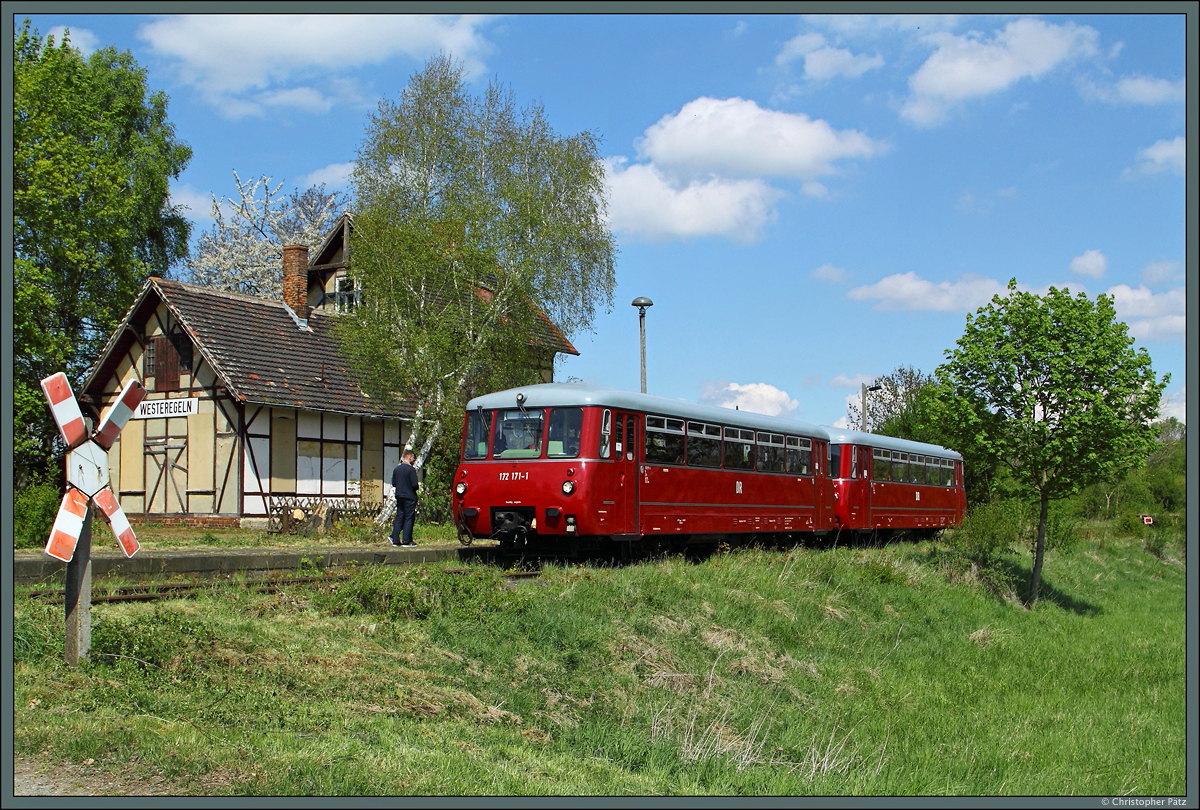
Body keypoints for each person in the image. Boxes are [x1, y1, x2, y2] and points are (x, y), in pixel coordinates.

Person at [388, 449, 420, 547]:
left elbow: (394, 483)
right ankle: (406, 540)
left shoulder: (397, 469)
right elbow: (414, 485)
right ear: (409, 457)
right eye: (413, 458)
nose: (414, 460)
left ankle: (395, 538)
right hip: (409, 496)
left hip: (399, 495)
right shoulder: (411, 470)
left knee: (399, 516)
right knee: (409, 518)